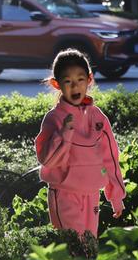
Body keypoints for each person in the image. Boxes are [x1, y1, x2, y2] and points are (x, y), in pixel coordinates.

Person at [35, 49, 125, 238]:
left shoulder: (98, 118)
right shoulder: (54, 119)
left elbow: (110, 158)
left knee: (89, 249)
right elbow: (48, 160)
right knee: (73, 249)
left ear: (89, 79)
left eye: (80, 80)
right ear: (56, 84)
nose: (75, 86)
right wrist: (65, 133)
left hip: (92, 195)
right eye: (68, 81)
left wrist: (116, 196)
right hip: (64, 195)